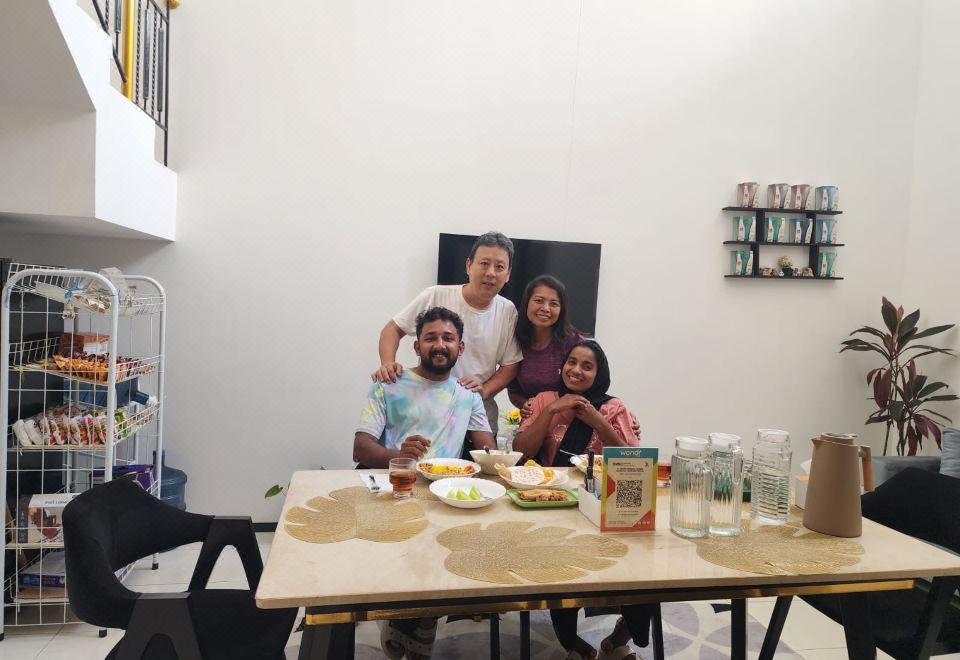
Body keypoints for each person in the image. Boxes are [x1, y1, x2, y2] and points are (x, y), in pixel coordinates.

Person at [512, 339, 653, 660]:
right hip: (553, 504)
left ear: (599, 374)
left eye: (587, 366)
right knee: (564, 568)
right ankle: (570, 640)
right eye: (571, 362)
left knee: (644, 564)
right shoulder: (544, 399)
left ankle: (621, 635)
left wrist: (597, 421)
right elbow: (521, 451)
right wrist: (551, 410)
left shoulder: (614, 408)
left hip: (604, 506)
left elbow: (634, 463)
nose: (576, 370)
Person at [372, 231, 523, 435]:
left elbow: (511, 363)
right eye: (484, 263)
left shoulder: (508, 310)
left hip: (476, 421)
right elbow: (393, 329)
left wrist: (483, 392)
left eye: (499, 267)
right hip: (429, 417)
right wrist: (387, 363)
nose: (491, 273)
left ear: (508, 274)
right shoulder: (435, 295)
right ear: (468, 265)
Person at [354, 306, 496, 468]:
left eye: (448, 338)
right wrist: (401, 458)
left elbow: (488, 453)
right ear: (417, 348)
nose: (440, 345)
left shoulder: (468, 394)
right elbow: (360, 449)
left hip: (446, 482)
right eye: (430, 338)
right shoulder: (389, 383)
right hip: (395, 479)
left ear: (460, 348)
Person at [507, 274, 584, 416]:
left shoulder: (576, 344)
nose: (546, 308)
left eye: (554, 304)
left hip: (571, 422)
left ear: (561, 309)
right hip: (534, 421)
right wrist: (524, 404)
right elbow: (514, 391)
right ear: (527, 302)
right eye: (539, 301)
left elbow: (594, 387)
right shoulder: (515, 341)